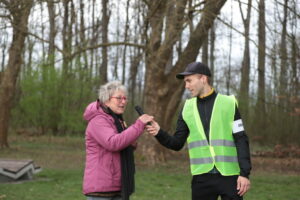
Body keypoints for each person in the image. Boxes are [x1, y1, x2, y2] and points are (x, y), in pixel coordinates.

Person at [146, 62, 251, 200]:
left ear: (203, 79)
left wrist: (244, 173)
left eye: (189, 81)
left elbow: (241, 139)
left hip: (230, 177)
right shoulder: (187, 108)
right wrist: (159, 132)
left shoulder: (229, 103)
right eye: (185, 82)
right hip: (202, 179)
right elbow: (177, 143)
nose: (186, 86)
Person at [82, 81, 153, 200]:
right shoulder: (98, 120)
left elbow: (124, 143)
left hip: (117, 186)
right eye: (119, 98)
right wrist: (138, 125)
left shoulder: (116, 120)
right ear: (106, 99)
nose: (124, 102)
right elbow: (113, 143)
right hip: (101, 190)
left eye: (125, 98)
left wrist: (134, 135)